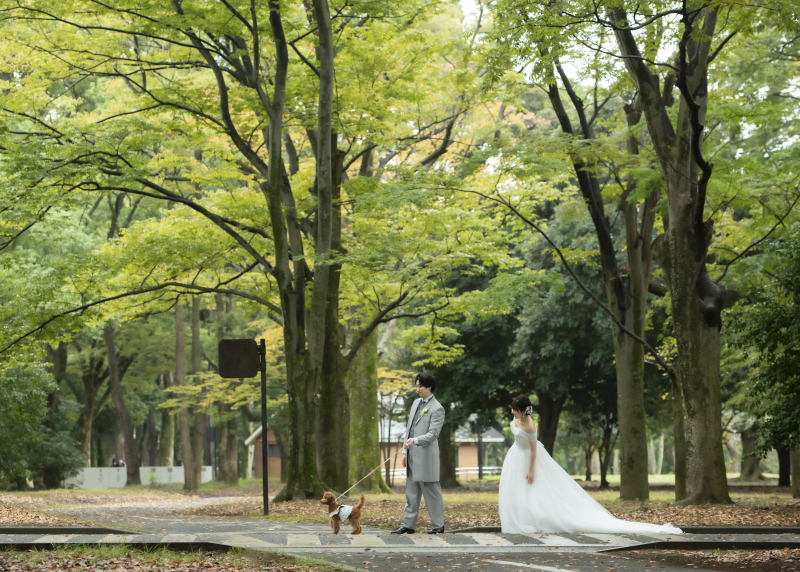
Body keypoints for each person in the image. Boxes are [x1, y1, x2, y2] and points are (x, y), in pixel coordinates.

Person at [498, 395, 682, 535]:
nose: (512, 412)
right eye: (512, 409)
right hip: (515, 456)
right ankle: (522, 518)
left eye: (515, 410)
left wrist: (530, 469)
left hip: (528, 458)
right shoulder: (517, 418)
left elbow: (533, 450)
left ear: (524, 411)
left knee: (535, 487)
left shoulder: (530, 426)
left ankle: (538, 519)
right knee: (517, 490)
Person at [392, 372, 446, 535]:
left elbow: (433, 434)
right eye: (416, 385)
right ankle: (408, 525)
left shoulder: (437, 408)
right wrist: (405, 452)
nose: (417, 389)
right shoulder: (416, 403)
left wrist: (415, 440)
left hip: (426, 457)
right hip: (411, 454)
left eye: (420, 386)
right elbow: (410, 429)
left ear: (429, 387)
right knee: (411, 491)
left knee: (431, 492)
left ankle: (438, 526)